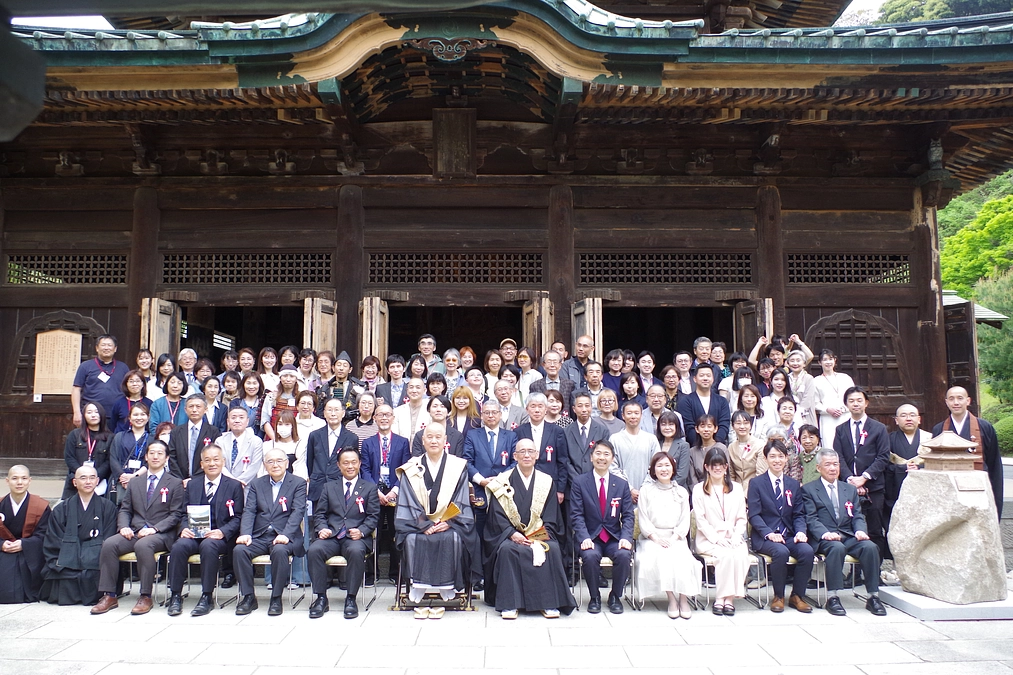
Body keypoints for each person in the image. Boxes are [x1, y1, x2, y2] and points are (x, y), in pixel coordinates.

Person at [482, 438, 576, 619]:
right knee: (507, 550)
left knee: (552, 549)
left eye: (530, 451)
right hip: (509, 536)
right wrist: (512, 534)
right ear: (515, 456)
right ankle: (510, 604)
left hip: (539, 534)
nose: (526, 455)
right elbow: (496, 515)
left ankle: (548, 603)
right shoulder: (502, 481)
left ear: (537, 455)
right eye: (522, 452)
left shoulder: (546, 481)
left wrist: (538, 536)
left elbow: (552, 515)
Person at [395, 422, 481, 616]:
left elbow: (461, 499)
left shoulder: (457, 466)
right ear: (422, 441)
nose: (434, 440)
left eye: (438, 437)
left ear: (445, 441)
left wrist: (448, 522)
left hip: (449, 523)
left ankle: (447, 590)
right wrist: (424, 525)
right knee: (411, 538)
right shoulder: (412, 467)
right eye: (429, 437)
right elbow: (407, 500)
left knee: (454, 537)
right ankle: (418, 588)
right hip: (418, 523)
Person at [91, 440, 185, 615]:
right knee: (110, 544)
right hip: (135, 530)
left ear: (166, 458)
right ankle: (109, 594)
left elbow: (176, 515)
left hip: (161, 533)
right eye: (152, 453)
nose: (155, 456)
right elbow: (125, 509)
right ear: (146, 457)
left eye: (160, 453)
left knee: (144, 545)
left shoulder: (175, 483)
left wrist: (154, 529)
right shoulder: (135, 482)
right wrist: (124, 526)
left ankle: (145, 595)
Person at [802, 448, 887, 616]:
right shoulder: (809, 489)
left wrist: (860, 531)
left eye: (836, 464)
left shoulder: (849, 489)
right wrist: (825, 533)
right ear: (818, 468)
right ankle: (832, 596)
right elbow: (811, 518)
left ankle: (873, 596)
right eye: (828, 464)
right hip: (825, 537)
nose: (833, 468)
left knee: (870, 547)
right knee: (836, 548)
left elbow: (857, 515)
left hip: (848, 535)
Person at [166, 444, 245, 617]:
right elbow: (182, 512)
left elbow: (239, 516)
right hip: (194, 534)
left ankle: (206, 596)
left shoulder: (233, 486)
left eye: (216, 459)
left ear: (223, 462)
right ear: (201, 464)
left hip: (219, 537)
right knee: (179, 546)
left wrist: (223, 532)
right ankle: (175, 595)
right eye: (207, 460)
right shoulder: (192, 485)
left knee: (209, 546)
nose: (212, 463)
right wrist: (184, 528)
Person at [307, 447, 380, 619]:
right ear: (339, 466)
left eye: (354, 462)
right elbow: (320, 514)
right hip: (332, 536)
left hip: (355, 538)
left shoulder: (369, 488)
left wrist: (362, 531)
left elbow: (373, 516)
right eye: (345, 463)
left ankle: (351, 598)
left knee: (356, 551)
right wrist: (322, 528)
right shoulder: (329, 487)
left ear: (359, 464)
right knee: (314, 550)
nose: (350, 466)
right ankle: (321, 598)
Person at [234, 448, 307, 616]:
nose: (275, 465)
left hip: (285, 536)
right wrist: (245, 533)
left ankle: (276, 597)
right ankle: (248, 597)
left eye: (279, 461)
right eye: (270, 461)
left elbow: (298, 512)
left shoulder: (298, 483)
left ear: (287, 463)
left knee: (280, 551)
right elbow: (249, 510)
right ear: (265, 465)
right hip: (260, 535)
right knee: (239, 550)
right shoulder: (257, 484)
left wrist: (286, 535)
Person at [748, 440, 814, 613]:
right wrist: (769, 534)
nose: (777, 460)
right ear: (766, 458)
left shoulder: (793, 484)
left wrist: (800, 532)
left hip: (789, 534)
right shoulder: (756, 483)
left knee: (807, 551)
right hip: (765, 537)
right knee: (781, 551)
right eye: (772, 456)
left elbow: (799, 514)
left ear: (786, 459)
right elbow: (754, 515)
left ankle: (797, 596)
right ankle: (778, 596)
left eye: (780, 456)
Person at [571, 440, 634, 614]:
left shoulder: (621, 484)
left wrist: (626, 538)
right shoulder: (580, 482)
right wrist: (583, 537)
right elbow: (576, 514)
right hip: (591, 536)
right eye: (598, 453)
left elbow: (628, 515)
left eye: (606, 454)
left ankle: (615, 596)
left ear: (612, 459)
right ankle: (594, 597)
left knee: (623, 555)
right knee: (590, 556)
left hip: (613, 536)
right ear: (591, 457)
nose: (602, 458)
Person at [40, 464, 117, 605]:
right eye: (83, 478)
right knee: (63, 572)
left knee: (95, 572)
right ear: (75, 482)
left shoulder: (108, 507)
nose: (88, 482)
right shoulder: (61, 509)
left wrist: (85, 557)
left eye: (92, 478)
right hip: (67, 565)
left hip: (95, 564)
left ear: (97, 481)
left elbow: (109, 538)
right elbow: (54, 540)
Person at [635, 452, 700, 618]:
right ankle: (671, 598)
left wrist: (674, 538)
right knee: (663, 557)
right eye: (659, 466)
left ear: (673, 468)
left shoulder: (681, 492)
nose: (664, 469)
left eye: (667, 465)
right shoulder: (646, 491)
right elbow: (643, 519)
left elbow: (685, 519)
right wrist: (656, 538)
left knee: (683, 558)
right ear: (653, 470)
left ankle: (684, 599)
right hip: (652, 538)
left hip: (676, 537)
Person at [833, 386, 890, 558]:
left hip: (873, 486)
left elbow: (883, 456)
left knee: (874, 529)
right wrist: (850, 478)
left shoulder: (878, 428)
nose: (855, 404)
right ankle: (855, 574)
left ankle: (875, 572)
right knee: (852, 529)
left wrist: (864, 477)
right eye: (851, 401)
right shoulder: (840, 429)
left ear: (866, 403)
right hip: (848, 487)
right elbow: (839, 456)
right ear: (846, 404)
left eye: (859, 400)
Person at [931, 386, 1004, 518]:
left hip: (978, 489)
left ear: (968, 401)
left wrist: (995, 496)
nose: (956, 403)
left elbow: (994, 464)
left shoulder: (985, 427)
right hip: (949, 491)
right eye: (951, 399)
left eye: (960, 398)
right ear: (946, 402)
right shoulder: (939, 429)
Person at [692, 447, 749, 615]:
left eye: (721, 465)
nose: (717, 468)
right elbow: (700, 520)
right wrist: (716, 538)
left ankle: (729, 599)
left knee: (739, 554)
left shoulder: (737, 488)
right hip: (708, 539)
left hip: (733, 537)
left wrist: (737, 536)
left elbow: (741, 518)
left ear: (726, 467)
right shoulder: (699, 489)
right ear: (706, 467)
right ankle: (720, 598)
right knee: (725, 555)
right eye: (713, 465)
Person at [360, 404, 411, 582]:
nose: (384, 418)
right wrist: (375, 491)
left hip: (396, 492)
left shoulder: (402, 442)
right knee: (374, 532)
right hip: (374, 493)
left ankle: (395, 574)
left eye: (387, 415)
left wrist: (395, 490)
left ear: (393, 418)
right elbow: (364, 469)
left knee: (396, 532)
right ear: (374, 418)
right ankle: (372, 573)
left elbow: (405, 468)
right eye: (380, 414)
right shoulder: (367, 443)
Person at [0, 465, 51, 603]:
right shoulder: (1, 504)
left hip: (30, 551)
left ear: (30, 480)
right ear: (7, 481)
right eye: (15, 478)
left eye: (23, 478)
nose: (19, 482)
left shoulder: (41, 506)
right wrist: (2, 544)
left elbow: (45, 534)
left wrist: (24, 544)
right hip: (3, 550)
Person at [513, 393, 569, 502]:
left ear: (546, 409)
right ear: (527, 409)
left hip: (551, 483)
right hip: (525, 482)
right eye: (533, 406)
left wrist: (560, 489)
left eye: (540, 406)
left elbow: (562, 461)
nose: (537, 410)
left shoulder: (557, 431)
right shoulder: (518, 432)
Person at [306, 398, 360, 503]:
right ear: (324, 413)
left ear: (343, 413)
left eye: (336, 410)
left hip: (340, 487)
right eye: (329, 410)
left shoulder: (352, 438)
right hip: (318, 487)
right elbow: (310, 462)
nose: (333, 413)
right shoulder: (314, 435)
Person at [609, 400, 662, 503]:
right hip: (622, 492)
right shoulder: (615, 439)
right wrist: (630, 489)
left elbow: (656, 466)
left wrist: (644, 489)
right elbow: (612, 468)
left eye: (636, 413)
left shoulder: (651, 439)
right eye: (629, 413)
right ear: (623, 416)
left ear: (641, 415)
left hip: (648, 492)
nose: (633, 416)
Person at [72, 334, 128, 428]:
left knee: (114, 441)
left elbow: (128, 390)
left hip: (116, 414)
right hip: (91, 415)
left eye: (109, 345)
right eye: (103, 345)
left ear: (115, 349)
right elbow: (76, 389)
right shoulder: (85, 366)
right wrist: (77, 412)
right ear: (97, 348)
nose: (106, 348)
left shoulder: (123, 367)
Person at [63, 401, 112, 499]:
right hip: (75, 481)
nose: (93, 415)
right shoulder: (75, 435)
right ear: (84, 416)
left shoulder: (110, 437)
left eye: (96, 412)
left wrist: (94, 477)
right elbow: (69, 457)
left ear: (102, 415)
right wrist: (82, 476)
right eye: (89, 412)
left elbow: (108, 461)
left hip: (99, 483)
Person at [888, 404, 930, 519]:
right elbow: (884, 466)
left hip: (923, 488)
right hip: (896, 488)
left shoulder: (930, 439)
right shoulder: (889, 439)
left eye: (912, 415)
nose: (908, 418)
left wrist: (920, 468)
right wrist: (901, 468)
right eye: (903, 415)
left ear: (919, 419)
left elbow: (936, 465)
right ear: (896, 420)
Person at [167, 394, 221, 483]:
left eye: (198, 406)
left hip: (204, 480)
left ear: (205, 409)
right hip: (180, 481)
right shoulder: (176, 432)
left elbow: (214, 457)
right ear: (185, 410)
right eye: (191, 406)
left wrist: (194, 479)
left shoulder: (213, 431)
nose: (194, 410)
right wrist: (180, 480)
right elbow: (172, 457)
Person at [563, 392, 611, 487]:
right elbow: (565, 460)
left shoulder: (602, 431)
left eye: (587, 405)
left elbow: (603, 457)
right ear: (574, 409)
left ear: (591, 407)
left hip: (596, 484)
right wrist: (578, 481)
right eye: (580, 406)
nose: (584, 409)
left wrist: (591, 478)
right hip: (572, 485)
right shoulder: (566, 432)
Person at [678, 364, 731, 447]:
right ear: (694, 379)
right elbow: (688, 427)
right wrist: (701, 445)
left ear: (713, 379)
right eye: (702, 375)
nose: (705, 378)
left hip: (718, 448)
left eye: (708, 375)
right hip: (694, 448)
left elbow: (724, 425)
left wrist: (714, 444)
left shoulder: (722, 401)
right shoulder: (685, 401)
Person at [811, 349, 855, 447]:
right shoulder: (816, 381)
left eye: (830, 359)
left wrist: (844, 408)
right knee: (830, 445)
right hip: (828, 418)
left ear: (835, 360)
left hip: (846, 415)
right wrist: (827, 409)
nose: (828, 362)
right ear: (819, 362)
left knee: (848, 445)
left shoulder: (845, 378)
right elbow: (815, 402)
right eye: (825, 360)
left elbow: (853, 396)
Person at [218, 402, 265, 489]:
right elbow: (220, 464)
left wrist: (239, 483)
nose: (237, 420)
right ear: (228, 422)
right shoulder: (220, 441)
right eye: (233, 417)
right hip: (225, 485)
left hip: (247, 486)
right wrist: (232, 482)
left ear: (247, 421)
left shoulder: (256, 441)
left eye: (241, 417)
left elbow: (255, 466)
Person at [726, 410, 767, 494]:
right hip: (736, 491)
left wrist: (747, 493)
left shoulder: (760, 445)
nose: (742, 426)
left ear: (750, 426)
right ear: (733, 426)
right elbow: (731, 474)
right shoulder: (731, 447)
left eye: (745, 423)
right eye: (738, 423)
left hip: (755, 490)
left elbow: (761, 473)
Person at [317, 351, 365, 421]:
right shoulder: (325, 388)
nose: (341, 368)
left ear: (350, 369)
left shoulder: (358, 387)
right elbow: (319, 413)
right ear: (333, 368)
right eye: (338, 365)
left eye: (345, 366)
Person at [261, 365, 302, 441]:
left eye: (292, 376)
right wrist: (275, 440)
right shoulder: (271, 396)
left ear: (296, 379)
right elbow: (265, 420)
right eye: (285, 376)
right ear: (280, 378)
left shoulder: (301, 397)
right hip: (273, 438)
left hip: (295, 439)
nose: (288, 379)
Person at [687, 415, 727, 491]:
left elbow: (726, 473)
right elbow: (692, 478)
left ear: (715, 429)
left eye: (709, 426)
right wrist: (700, 492)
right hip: (699, 491)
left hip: (720, 489)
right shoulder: (692, 451)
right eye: (702, 426)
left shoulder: (722, 448)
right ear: (696, 429)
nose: (706, 429)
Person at [655, 410, 691, 491]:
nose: (667, 428)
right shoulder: (655, 443)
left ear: (676, 426)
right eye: (663, 424)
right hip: (656, 489)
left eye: (671, 424)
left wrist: (667, 488)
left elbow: (682, 475)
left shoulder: (684, 446)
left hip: (677, 489)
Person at [109, 369, 152, 434]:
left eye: (138, 381)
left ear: (143, 384)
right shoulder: (118, 403)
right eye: (131, 381)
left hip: (144, 440)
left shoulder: (149, 403)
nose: (134, 384)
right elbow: (112, 424)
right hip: (121, 439)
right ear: (126, 384)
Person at [238, 373, 265, 439]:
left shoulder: (264, 402)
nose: (251, 387)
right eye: (248, 383)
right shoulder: (236, 402)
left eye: (254, 383)